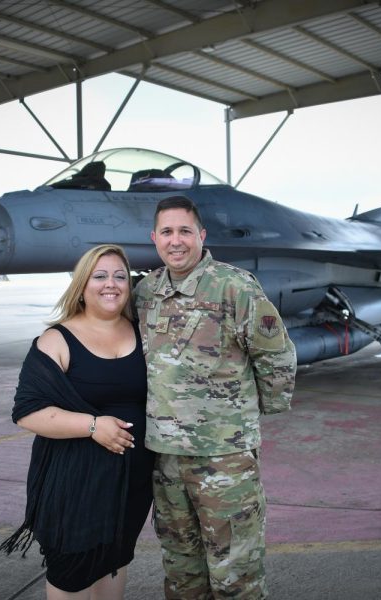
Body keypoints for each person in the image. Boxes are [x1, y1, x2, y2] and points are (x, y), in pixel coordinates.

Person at [134, 196, 297, 599]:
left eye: (185, 231)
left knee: (235, 572)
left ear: (201, 236)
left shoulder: (234, 285)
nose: (176, 241)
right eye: (167, 232)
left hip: (225, 461)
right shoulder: (145, 292)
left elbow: (275, 354)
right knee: (181, 567)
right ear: (154, 238)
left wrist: (241, 421)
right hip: (166, 459)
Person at [0, 244, 154, 600]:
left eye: (119, 276)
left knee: (114, 561)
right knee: (73, 574)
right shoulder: (57, 339)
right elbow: (27, 411)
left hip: (131, 485)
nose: (110, 284)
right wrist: (93, 426)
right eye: (99, 276)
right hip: (76, 486)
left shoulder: (143, 332)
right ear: (82, 286)